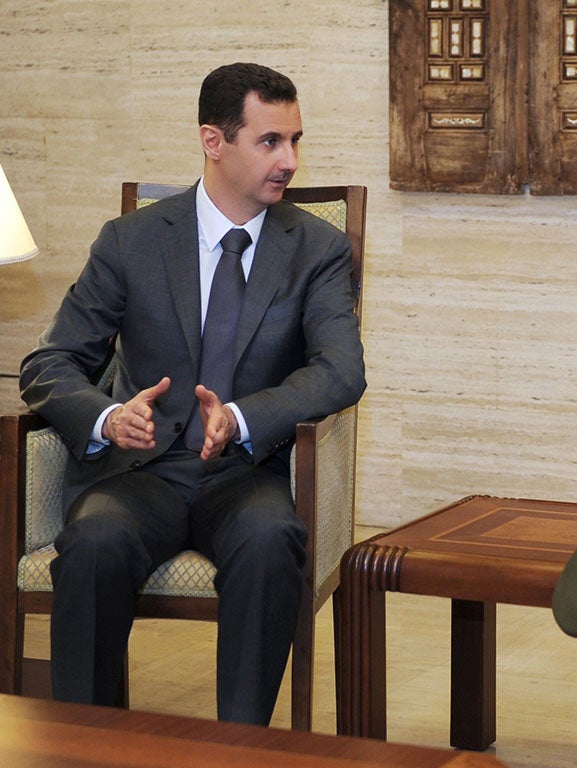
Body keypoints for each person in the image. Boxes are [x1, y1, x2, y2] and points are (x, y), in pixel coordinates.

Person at [19, 62, 366, 725]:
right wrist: (108, 415)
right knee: (92, 543)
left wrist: (240, 418)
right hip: (140, 471)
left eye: (296, 140)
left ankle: (237, 750)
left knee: (270, 544)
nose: (290, 159)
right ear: (214, 141)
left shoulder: (315, 249)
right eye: (271, 141)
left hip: (245, 471)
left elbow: (341, 370)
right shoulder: (133, 242)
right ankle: (85, 745)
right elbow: (52, 361)